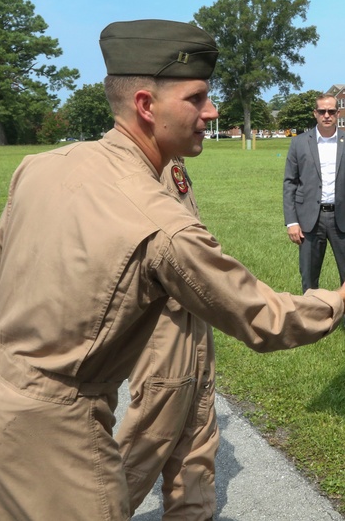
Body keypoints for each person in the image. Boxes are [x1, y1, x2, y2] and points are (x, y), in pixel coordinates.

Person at [0, 19, 345, 521]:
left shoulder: (41, 165)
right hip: (47, 429)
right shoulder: (159, 221)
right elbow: (263, 318)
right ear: (145, 105)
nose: (212, 111)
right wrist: (343, 300)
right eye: (197, 98)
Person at [116, 158, 218, 519]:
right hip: (167, 318)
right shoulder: (144, 165)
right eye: (194, 99)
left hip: (193, 313)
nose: (209, 112)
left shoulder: (171, 160)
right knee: (150, 436)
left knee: (197, 430)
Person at [283, 94, 345, 342]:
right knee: (309, 274)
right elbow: (290, 183)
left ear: (338, 114)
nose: (326, 116)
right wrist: (292, 221)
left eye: (331, 111)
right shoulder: (299, 143)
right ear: (314, 113)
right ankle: (310, 324)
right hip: (309, 219)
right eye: (322, 111)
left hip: (343, 218)